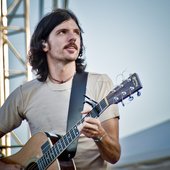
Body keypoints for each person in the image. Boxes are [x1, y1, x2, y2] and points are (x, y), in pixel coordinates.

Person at [0, 8, 121, 170]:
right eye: (62, 32)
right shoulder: (24, 94)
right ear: (44, 44)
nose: (73, 38)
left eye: (76, 33)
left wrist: (101, 135)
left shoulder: (100, 83)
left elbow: (114, 156)